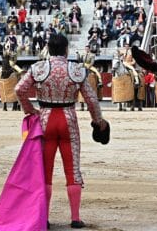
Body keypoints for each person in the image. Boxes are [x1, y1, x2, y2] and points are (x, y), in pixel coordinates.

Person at [15, 34, 107, 229]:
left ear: (48, 49)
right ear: (66, 49)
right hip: (68, 119)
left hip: (46, 119)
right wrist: (98, 121)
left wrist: (30, 110)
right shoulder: (76, 69)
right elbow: (91, 99)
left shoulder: (38, 68)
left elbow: (19, 89)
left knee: (45, 171)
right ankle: (75, 218)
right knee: (72, 168)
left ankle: (44, 218)